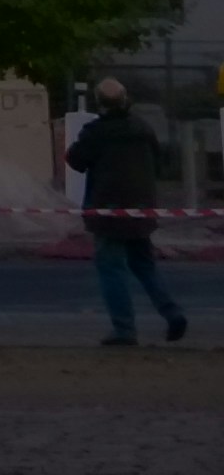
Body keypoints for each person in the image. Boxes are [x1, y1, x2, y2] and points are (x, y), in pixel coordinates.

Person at [69, 78, 187, 346]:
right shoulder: (143, 128)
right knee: (144, 265)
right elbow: (160, 162)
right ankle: (172, 313)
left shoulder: (95, 131)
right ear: (126, 99)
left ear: (99, 103)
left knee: (111, 268)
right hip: (141, 209)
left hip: (107, 212)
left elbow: (75, 160)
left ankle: (124, 329)